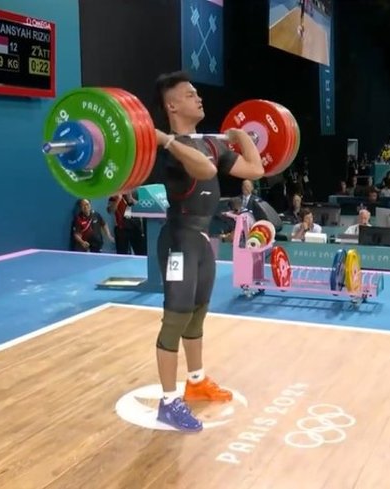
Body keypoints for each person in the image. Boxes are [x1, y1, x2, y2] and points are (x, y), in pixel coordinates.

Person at [153, 71, 264, 432]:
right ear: (172, 105)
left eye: (197, 92)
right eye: (190, 94)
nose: (198, 98)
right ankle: (168, 402)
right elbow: (201, 170)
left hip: (202, 240)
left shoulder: (211, 144)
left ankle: (196, 381)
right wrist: (168, 141)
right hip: (178, 240)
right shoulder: (170, 150)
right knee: (176, 317)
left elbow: (255, 168)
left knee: (198, 314)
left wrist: (242, 138)